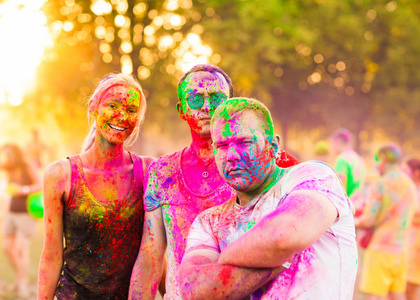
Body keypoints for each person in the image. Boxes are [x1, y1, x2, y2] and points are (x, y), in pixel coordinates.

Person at [128, 65, 299, 299]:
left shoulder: (265, 159)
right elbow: (150, 256)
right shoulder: (162, 172)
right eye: (195, 99)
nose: (207, 107)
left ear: (230, 103)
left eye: (216, 98)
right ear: (181, 109)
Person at [178, 97, 358, 299]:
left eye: (244, 142)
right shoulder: (209, 222)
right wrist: (278, 258)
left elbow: (286, 234)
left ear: (273, 146)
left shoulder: (313, 177)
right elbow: (193, 289)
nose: (232, 155)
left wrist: (224, 259)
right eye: (222, 146)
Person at [37, 73, 154, 300]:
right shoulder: (61, 175)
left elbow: (153, 252)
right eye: (112, 105)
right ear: (93, 107)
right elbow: (51, 255)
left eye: (131, 110)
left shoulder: (148, 172)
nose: (121, 116)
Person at [356, 143, 417, 300]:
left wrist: (352, 222)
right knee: (397, 294)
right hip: (402, 249)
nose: (376, 165)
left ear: (382, 159)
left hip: (381, 249)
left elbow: (369, 220)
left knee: (376, 295)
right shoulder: (409, 184)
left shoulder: (382, 184)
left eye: (376, 160)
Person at [1, 143, 42, 298]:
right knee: (7, 248)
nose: (4, 158)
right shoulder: (10, 168)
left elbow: (40, 184)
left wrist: (23, 190)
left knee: (20, 249)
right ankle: (19, 279)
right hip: (11, 212)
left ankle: (23, 284)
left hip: (26, 213)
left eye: (7, 155)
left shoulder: (27, 166)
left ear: (14, 154)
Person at [331, 128, 366, 216]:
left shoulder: (342, 159)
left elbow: (340, 187)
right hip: (358, 206)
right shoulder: (359, 159)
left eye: (333, 143)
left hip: (347, 209)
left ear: (338, 142)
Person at [405, 159, 420, 300]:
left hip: (416, 244)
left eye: (407, 170)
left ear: (416, 172)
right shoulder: (413, 188)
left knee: (411, 287)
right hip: (410, 241)